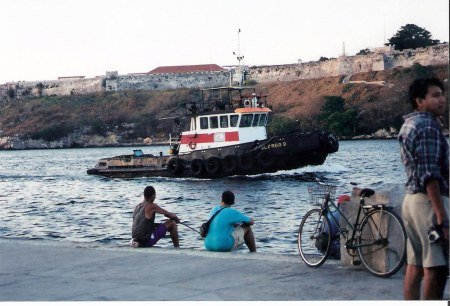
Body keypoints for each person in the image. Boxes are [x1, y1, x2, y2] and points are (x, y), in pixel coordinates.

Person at [398, 77, 449, 300]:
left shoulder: (409, 124)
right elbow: (430, 175)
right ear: (420, 101)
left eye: (442, 94)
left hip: (411, 201)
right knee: (436, 269)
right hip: (428, 202)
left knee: (415, 266)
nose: (442, 100)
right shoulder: (428, 126)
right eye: (435, 95)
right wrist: (442, 217)